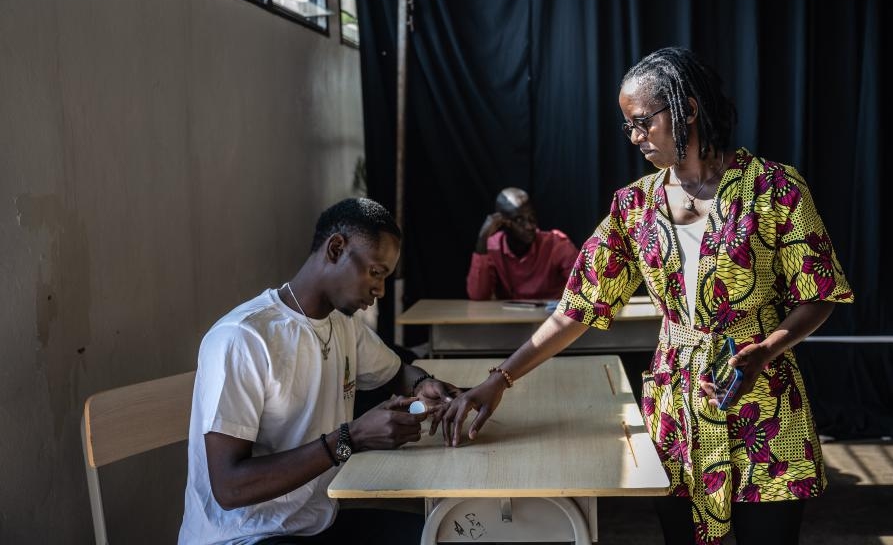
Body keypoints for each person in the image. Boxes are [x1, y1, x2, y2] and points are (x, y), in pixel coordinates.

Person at [443, 47, 854, 545]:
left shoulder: (774, 188)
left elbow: (820, 292)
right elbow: (578, 306)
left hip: (764, 400)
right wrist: (501, 379)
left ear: (686, 109)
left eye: (642, 122)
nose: (635, 137)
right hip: (676, 404)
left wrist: (767, 350)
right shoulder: (634, 206)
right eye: (628, 127)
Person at [180, 198, 459, 545]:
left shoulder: (343, 325)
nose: (380, 290)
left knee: (444, 535)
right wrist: (351, 438)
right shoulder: (243, 338)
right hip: (246, 535)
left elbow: (395, 372)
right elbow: (230, 487)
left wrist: (422, 384)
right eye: (376, 272)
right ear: (336, 248)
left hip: (317, 523)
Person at [466, 187, 578, 300]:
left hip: (548, 316)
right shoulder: (491, 247)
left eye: (532, 218)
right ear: (502, 222)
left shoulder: (556, 244)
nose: (530, 226)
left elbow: (586, 287)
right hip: (507, 317)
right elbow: (478, 296)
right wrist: (482, 239)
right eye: (519, 220)